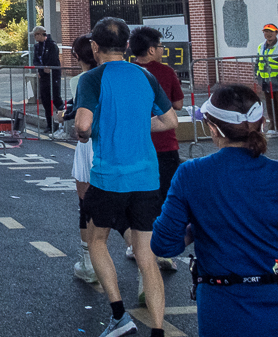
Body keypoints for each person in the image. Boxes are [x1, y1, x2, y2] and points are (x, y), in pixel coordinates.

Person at [151, 83, 278, 337]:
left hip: (224, 312)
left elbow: (164, 245)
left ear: (213, 128)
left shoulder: (191, 174)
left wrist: (201, 226)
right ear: (261, 123)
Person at [74, 17, 177, 337]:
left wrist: (87, 134)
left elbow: (82, 125)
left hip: (108, 178)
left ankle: (119, 315)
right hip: (147, 177)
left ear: (95, 47)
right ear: (128, 46)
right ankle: (158, 329)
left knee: (96, 239)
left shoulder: (91, 78)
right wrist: (136, 127)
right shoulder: (146, 75)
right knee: (146, 255)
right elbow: (171, 120)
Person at [126, 26, 183, 280]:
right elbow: (178, 104)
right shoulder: (166, 73)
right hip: (165, 146)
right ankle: (162, 249)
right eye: (161, 46)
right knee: (164, 200)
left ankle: (138, 246)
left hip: (134, 147)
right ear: (151, 49)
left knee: (138, 200)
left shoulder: (128, 72)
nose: (163, 50)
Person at [68, 34, 98, 284]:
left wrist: (63, 117)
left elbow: (81, 124)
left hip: (89, 147)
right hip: (121, 146)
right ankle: (145, 267)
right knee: (129, 211)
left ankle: (89, 263)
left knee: (87, 204)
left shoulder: (82, 80)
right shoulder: (131, 75)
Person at [32, 26, 63, 133]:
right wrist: (41, 69)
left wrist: (48, 66)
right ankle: (50, 125)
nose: (35, 37)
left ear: (42, 34)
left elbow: (53, 59)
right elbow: (35, 60)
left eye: (36, 35)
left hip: (53, 76)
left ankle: (62, 123)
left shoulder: (52, 45)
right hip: (43, 76)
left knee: (56, 98)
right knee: (45, 101)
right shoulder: (37, 47)